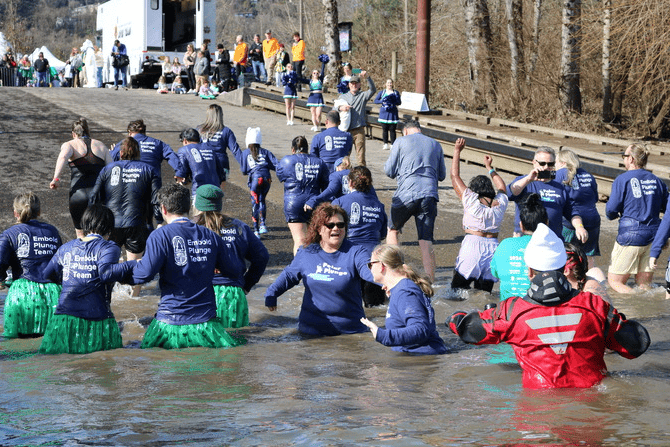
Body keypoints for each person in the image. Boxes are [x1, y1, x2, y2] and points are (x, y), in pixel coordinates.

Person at [448, 223, 651, 389]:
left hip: (538, 413)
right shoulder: (596, 306)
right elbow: (636, 345)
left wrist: (455, 317)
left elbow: (470, 331)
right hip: (591, 407)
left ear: (529, 271)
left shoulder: (511, 312)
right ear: (564, 268)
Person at [129, 183, 242, 349]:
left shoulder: (159, 235)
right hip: (206, 327)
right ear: (189, 207)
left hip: (169, 325)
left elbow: (143, 275)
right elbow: (235, 271)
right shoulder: (211, 236)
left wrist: (122, 268)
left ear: (163, 209)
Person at [265, 203, 373, 336]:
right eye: (330, 225)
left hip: (351, 334)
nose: (336, 228)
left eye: (340, 225)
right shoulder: (307, 252)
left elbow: (369, 270)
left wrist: (391, 280)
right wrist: (272, 293)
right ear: (319, 229)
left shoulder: (356, 252)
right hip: (311, 333)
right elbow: (289, 276)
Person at [40, 205, 135, 354]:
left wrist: (67, 280)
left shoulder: (66, 248)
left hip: (64, 320)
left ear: (84, 225)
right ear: (109, 230)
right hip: (98, 320)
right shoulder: (109, 247)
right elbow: (106, 273)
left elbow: (46, 275)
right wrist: (133, 264)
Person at [89, 137, 162, 297]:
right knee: (134, 266)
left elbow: (94, 198)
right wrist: (160, 221)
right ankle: (133, 300)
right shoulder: (149, 170)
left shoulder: (108, 169)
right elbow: (156, 200)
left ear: (121, 153)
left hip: (110, 224)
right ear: (138, 153)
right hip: (136, 223)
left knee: (107, 264)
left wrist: (93, 223)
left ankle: (107, 297)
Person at [193, 184, 269, 327]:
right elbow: (262, 257)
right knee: (237, 342)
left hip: (200, 294)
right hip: (232, 293)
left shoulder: (190, 228)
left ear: (197, 204)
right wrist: (247, 284)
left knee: (203, 344)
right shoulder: (239, 227)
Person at [384, 119, 446, 282]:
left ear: (405, 131)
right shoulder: (435, 144)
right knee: (426, 240)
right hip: (429, 194)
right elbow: (441, 175)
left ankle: (395, 274)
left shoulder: (400, 141)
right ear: (419, 130)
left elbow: (389, 171)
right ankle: (431, 281)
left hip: (406, 194)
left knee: (392, 230)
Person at [360, 245, 448, 354]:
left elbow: (420, 329)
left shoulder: (404, 292)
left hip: (421, 360)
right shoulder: (401, 289)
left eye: (371, 264)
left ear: (381, 266)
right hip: (416, 358)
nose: (370, 268)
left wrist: (382, 335)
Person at [607, 144, 668, 293]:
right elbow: (668, 208)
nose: (624, 160)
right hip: (653, 236)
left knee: (615, 282)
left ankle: (633, 303)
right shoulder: (657, 180)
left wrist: (614, 214)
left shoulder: (623, 179)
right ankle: (646, 308)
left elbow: (610, 210)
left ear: (632, 159)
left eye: (625, 156)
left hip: (630, 236)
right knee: (644, 285)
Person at [450, 138, 508, 293]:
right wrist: (490, 168)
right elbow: (502, 187)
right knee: (484, 295)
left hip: (472, 247)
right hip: (493, 248)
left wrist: (457, 151)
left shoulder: (471, 199)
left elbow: (454, 176)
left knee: (456, 291)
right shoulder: (500, 203)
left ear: (474, 189)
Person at [0, 192, 62, 338]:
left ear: (15, 212)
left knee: (18, 349)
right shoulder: (52, 231)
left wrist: (2, 279)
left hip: (22, 296)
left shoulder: (9, 233)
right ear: (39, 212)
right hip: (53, 296)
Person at [333, 166, 387, 307]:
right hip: (375, 262)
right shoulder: (379, 206)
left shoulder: (339, 202)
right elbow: (382, 234)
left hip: (349, 258)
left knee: (347, 308)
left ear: (350, 183)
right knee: (376, 309)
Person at [507, 146, 587, 242]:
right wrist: (529, 179)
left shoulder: (560, 187)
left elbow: (573, 212)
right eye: (542, 163)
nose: (546, 167)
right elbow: (509, 193)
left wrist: (579, 227)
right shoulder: (524, 182)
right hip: (525, 240)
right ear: (534, 163)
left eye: (550, 164)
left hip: (552, 241)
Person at [50, 118, 111, 238]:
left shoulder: (70, 145)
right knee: (98, 233)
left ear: (73, 134)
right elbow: (111, 169)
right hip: (98, 194)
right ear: (88, 132)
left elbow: (62, 158)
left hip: (78, 194)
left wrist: (56, 179)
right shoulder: (101, 146)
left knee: (80, 233)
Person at [276, 136, 329, 255]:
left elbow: (281, 177)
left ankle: (299, 269)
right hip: (314, 202)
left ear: (293, 149)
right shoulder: (319, 162)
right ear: (307, 148)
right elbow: (326, 186)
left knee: (299, 240)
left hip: (293, 203)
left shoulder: (286, 161)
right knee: (315, 240)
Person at [490, 193, 548, 301]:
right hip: (537, 309)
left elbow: (495, 273)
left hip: (508, 310)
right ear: (547, 224)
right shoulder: (552, 248)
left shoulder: (505, 244)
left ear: (521, 225)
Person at [555, 148, 601, 267]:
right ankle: (592, 283)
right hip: (592, 219)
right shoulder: (588, 175)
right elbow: (595, 198)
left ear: (563, 163)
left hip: (571, 222)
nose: (554, 166)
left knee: (567, 255)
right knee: (589, 257)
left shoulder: (560, 174)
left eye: (555, 162)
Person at [110, 119, 181, 189]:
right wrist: (180, 173)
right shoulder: (158, 143)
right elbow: (172, 156)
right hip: (153, 180)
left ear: (130, 132)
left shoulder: (124, 144)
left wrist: (112, 152)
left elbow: (111, 160)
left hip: (131, 180)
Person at [236, 127, 279, 237]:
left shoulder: (245, 153)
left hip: (255, 179)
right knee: (262, 200)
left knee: (254, 203)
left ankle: (255, 230)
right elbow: (276, 165)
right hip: (267, 179)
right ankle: (263, 224)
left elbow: (244, 170)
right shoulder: (266, 152)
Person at [335, 73, 376, 166]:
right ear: (349, 85)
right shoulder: (343, 97)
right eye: (352, 83)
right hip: (346, 131)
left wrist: (367, 77)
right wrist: (341, 108)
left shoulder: (363, 95)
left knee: (361, 158)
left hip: (359, 130)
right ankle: (344, 175)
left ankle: (361, 177)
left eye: (356, 83)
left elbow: (373, 90)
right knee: (344, 157)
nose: (354, 85)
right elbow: (334, 109)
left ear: (359, 85)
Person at [198, 104, 242, 189]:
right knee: (218, 193)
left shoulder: (200, 130)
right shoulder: (226, 131)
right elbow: (235, 150)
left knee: (203, 192)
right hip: (222, 165)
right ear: (220, 116)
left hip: (204, 163)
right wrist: (245, 165)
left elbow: (194, 147)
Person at [175, 128, 222, 198]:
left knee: (199, 208)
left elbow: (181, 171)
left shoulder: (184, 150)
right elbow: (220, 171)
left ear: (185, 140)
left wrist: (181, 179)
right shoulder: (210, 148)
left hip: (199, 189)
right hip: (215, 189)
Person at [374, 79, 402, 150]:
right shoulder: (382, 92)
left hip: (393, 113)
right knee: (384, 129)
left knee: (393, 129)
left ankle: (393, 144)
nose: (389, 84)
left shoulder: (396, 92)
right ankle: (385, 144)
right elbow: (375, 101)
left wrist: (393, 101)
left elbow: (399, 102)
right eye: (388, 83)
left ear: (392, 84)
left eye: (391, 83)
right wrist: (383, 101)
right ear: (385, 84)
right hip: (384, 113)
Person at [306, 55, 330, 131]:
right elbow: (300, 79)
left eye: (317, 73)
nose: (315, 74)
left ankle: (317, 123)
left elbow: (323, 70)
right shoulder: (310, 81)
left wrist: (323, 63)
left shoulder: (320, 80)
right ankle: (315, 125)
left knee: (318, 114)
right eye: (314, 73)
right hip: (312, 97)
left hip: (319, 97)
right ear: (312, 74)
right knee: (313, 113)